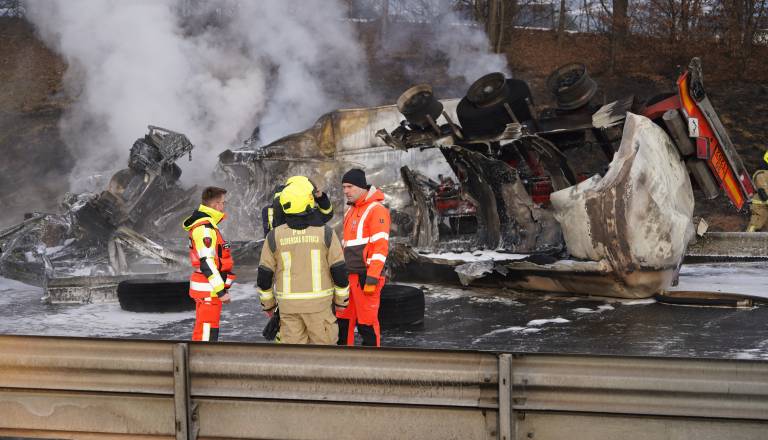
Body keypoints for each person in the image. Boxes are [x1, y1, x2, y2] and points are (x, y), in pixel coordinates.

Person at [256, 177, 350, 344]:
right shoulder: (325, 233)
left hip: (288, 308)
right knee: (323, 353)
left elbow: (264, 276)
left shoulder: (273, 236)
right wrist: (341, 302)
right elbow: (339, 270)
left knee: (294, 355)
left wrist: (268, 305)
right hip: (319, 307)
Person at [336, 168, 391, 347]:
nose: (346, 191)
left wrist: (372, 278)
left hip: (366, 277)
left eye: (349, 186)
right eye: (344, 187)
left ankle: (371, 362)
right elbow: (346, 246)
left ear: (361, 187)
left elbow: (380, 248)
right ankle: (343, 359)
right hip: (349, 277)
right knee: (343, 322)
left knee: (367, 324)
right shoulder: (350, 211)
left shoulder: (377, 210)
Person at [182, 186, 236, 342]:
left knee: (204, 330)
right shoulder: (205, 228)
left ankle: (200, 356)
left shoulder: (206, 225)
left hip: (208, 289)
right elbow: (207, 262)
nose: (224, 206)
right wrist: (221, 292)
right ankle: (203, 358)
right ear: (216, 205)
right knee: (207, 333)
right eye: (223, 203)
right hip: (209, 290)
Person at [265, 176, 333, 234]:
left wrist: (278, 200)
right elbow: (327, 214)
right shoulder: (309, 216)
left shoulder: (270, 212)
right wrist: (321, 198)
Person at [747, 151, 768, 232]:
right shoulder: (761, 174)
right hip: (760, 206)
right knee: (756, 223)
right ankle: (748, 238)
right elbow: (763, 190)